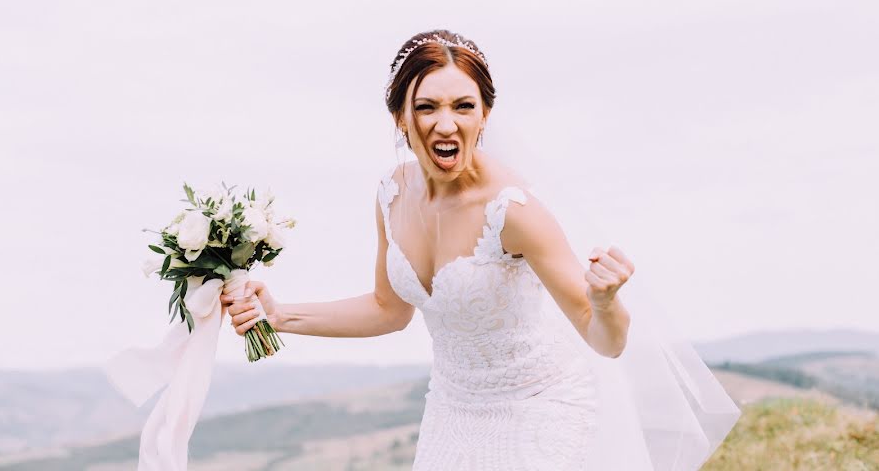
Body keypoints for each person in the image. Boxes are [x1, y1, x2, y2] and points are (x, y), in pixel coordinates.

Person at [221, 29, 739, 470]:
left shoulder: (513, 210)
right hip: (451, 411)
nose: (446, 123)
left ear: (484, 115)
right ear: (401, 117)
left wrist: (604, 302)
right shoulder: (391, 194)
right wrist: (279, 314)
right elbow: (388, 309)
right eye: (427, 106)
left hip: (542, 411)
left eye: (463, 106)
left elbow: (606, 341)